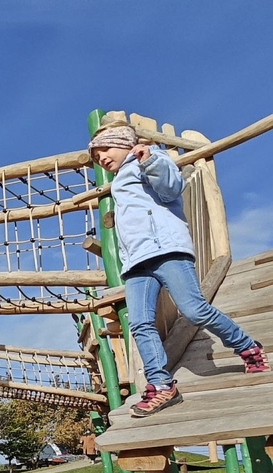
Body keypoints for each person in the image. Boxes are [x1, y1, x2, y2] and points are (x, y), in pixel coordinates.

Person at [88, 122, 269, 417]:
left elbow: (172, 190)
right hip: (136, 263)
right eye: (96, 157)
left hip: (166, 249)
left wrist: (148, 161)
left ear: (124, 143)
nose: (102, 159)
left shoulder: (151, 159)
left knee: (195, 310)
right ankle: (161, 385)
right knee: (140, 325)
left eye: (105, 150)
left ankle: (248, 347)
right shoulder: (119, 181)